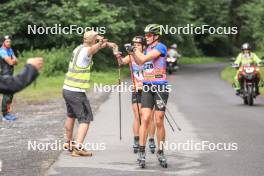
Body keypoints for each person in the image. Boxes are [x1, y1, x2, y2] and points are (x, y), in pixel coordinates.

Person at [125, 24, 169, 167]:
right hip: (147, 87)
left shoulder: (160, 47)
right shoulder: (147, 48)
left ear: (156, 36)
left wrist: (134, 51)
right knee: (145, 118)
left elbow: (143, 59)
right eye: (146, 35)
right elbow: (139, 62)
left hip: (160, 87)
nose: (146, 38)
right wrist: (131, 53)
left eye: (149, 35)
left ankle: (160, 151)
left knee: (159, 120)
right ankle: (142, 151)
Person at [62, 30, 110, 157]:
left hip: (67, 89)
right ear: (93, 40)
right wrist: (100, 40)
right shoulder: (86, 51)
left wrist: (105, 44)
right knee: (85, 118)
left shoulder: (79, 48)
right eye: (96, 37)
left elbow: (95, 47)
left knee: (71, 116)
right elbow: (93, 49)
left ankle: (69, 143)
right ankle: (78, 148)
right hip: (76, 91)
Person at [110, 36, 156, 154]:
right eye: (134, 44)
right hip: (137, 89)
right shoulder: (130, 56)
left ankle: (151, 139)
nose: (135, 46)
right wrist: (117, 55)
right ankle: (136, 139)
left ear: (144, 46)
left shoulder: (148, 56)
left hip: (149, 89)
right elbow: (121, 63)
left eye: (138, 44)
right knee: (138, 116)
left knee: (149, 117)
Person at [0, 35, 18, 121]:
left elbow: (16, 61)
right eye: (7, 41)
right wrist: (13, 61)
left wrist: (13, 61)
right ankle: (4, 114)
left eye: (10, 41)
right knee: (7, 94)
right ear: (3, 42)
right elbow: (11, 62)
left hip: (10, 74)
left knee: (11, 93)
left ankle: (7, 112)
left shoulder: (9, 49)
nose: (9, 43)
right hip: (5, 74)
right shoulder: (2, 51)